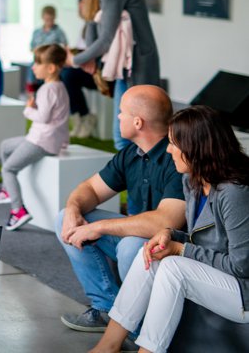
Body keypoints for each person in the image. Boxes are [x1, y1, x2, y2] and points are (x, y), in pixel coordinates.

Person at [89, 106, 249, 353]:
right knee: (152, 254)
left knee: (174, 266)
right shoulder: (193, 180)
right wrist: (171, 235)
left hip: (243, 288)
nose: (168, 149)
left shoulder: (234, 192)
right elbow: (210, 243)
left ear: (196, 148)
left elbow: (241, 266)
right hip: (222, 276)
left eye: (174, 143)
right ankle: (108, 346)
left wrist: (180, 249)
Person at [56, 85, 185, 333]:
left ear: (138, 122)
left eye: (121, 112)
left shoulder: (177, 156)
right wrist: (73, 208)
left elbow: (164, 222)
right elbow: (90, 190)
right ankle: (107, 308)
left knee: (130, 246)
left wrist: (99, 227)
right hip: (138, 243)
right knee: (66, 218)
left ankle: (137, 328)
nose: (118, 117)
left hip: (170, 249)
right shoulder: (130, 154)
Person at [67, 0, 160, 151]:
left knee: (129, 138)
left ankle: (139, 184)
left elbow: (106, 38)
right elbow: (94, 25)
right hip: (127, 68)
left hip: (136, 67)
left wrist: (75, 60)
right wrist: (89, 59)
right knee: (124, 138)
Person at [0, 44, 70, 231]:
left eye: (37, 63)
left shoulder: (47, 90)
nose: (33, 67)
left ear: (50, 68)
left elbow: (43, 117)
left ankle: (18, 210)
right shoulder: (58, 87)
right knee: (5, 146)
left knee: (8, 169)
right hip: (45, 138)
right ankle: (6, 190)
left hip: (42, 141)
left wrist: (28, 109)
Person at [63, 0, 100, 138]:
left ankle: (84, 116)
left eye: (83, 3)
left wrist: (73, 59)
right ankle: (77, 115)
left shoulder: (95, 24)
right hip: (86, 67)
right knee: (63, 74)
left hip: (98, 72)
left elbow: (92, 52)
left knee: (68, 75)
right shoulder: (86, 25)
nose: (80, 7)